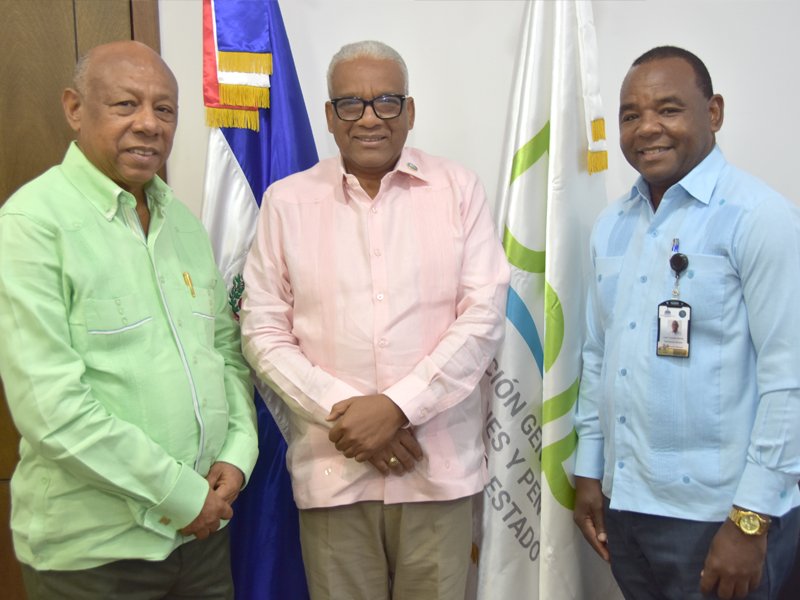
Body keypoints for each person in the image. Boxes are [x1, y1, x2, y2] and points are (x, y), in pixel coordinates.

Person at [240, 40, 510, 600]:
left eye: (386, 101)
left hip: (436, 470)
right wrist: (350, 417)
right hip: (334, 468)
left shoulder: (459, 190)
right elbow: (262, 331)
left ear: (409, 112)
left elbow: (483, 316)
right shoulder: (286, 203)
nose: (369, 118)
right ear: (329, 116)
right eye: (351, 104)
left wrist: (396, 408)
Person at [0, 41, 258, 600]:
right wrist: (181, 495)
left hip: (204, 541)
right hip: (96, 557)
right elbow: (51, 410)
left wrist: (237, 455)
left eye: (164, 109)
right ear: (75, 108)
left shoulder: (184, 225)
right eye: (125, 104)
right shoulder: (30, 224)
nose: (148, 124)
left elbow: (226, 354)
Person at [573, 46, 800, 600]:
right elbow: (598, 355)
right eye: (631, 115)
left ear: (713, 112)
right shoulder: (612, 224)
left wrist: (750, 518)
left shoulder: (760, 218)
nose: (647, 127)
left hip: (723, 520)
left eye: (669, 109)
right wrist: (590, 471)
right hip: (626, 508)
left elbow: (789, 378)